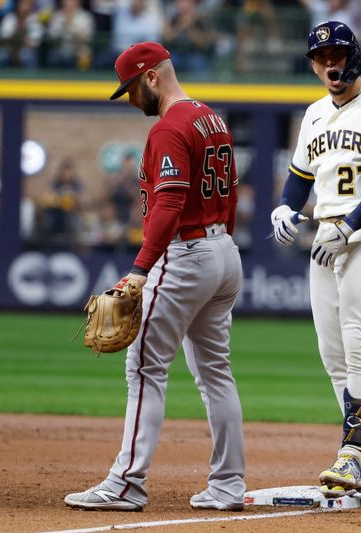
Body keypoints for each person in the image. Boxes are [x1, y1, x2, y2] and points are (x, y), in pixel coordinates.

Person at [64, 41, 245, 512]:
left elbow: (168, 202)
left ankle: (126, 483)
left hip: (187, 254)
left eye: (129, 88)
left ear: (151, 78)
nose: (129, 99)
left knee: (143, 366)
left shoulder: (170, 128)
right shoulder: (212, 118)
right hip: (224, 249)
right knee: (215, 373)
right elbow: (231, 193)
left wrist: (140, 271)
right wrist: (223, 244)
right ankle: (227, 486)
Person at [270, 21, 361, 498]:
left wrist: (350, 226)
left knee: (359, 338)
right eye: (320, 57)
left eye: (338, 53)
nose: (330, 63)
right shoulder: (313, 114)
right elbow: (299, 178)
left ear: (355, 55)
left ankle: (351, 456)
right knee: (333, 354)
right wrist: (284, 206)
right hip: (325, 236)